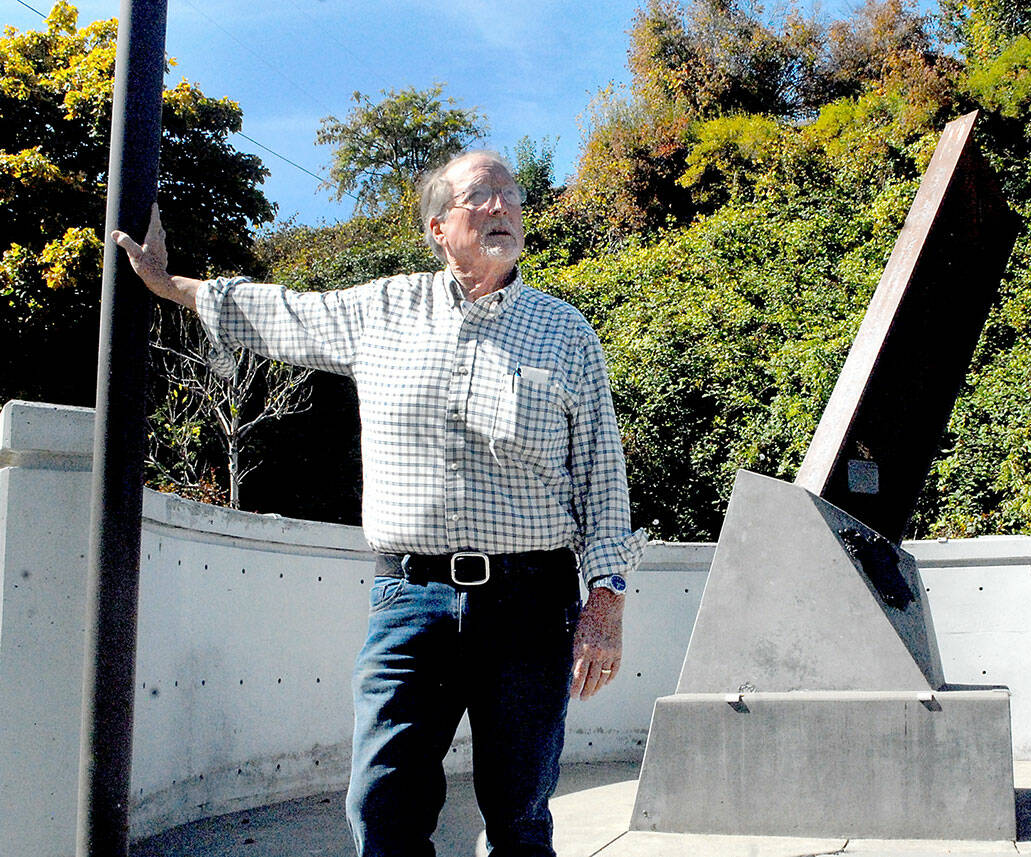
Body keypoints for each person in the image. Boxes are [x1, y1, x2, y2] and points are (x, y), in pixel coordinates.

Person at [113, 150, 646, 857]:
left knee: (519, 816)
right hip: (408, 596)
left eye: (510, 197)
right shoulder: (381, 309)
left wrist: (604, 603)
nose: (502, 209)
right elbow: (283, 313)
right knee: (381, 804)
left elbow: (604, 483)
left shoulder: (566, 332)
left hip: (529, 605)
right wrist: (169, 283)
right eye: (480, 197)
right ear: (437, 227)